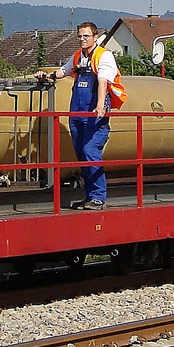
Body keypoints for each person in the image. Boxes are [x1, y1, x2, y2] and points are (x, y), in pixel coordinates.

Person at [42, 23, 125, 210]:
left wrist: (99, 106)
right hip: (77, 115)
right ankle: (89, 197)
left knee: (90, 152)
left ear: (95, 37)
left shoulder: (104, 56)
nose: (82, 39)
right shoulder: (78, 56)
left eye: (86, 36)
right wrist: (47, 76)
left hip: (94, 116)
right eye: (80, 36)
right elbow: (63, 71)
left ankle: (98, 197)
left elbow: (103, 81)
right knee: (82, 156)